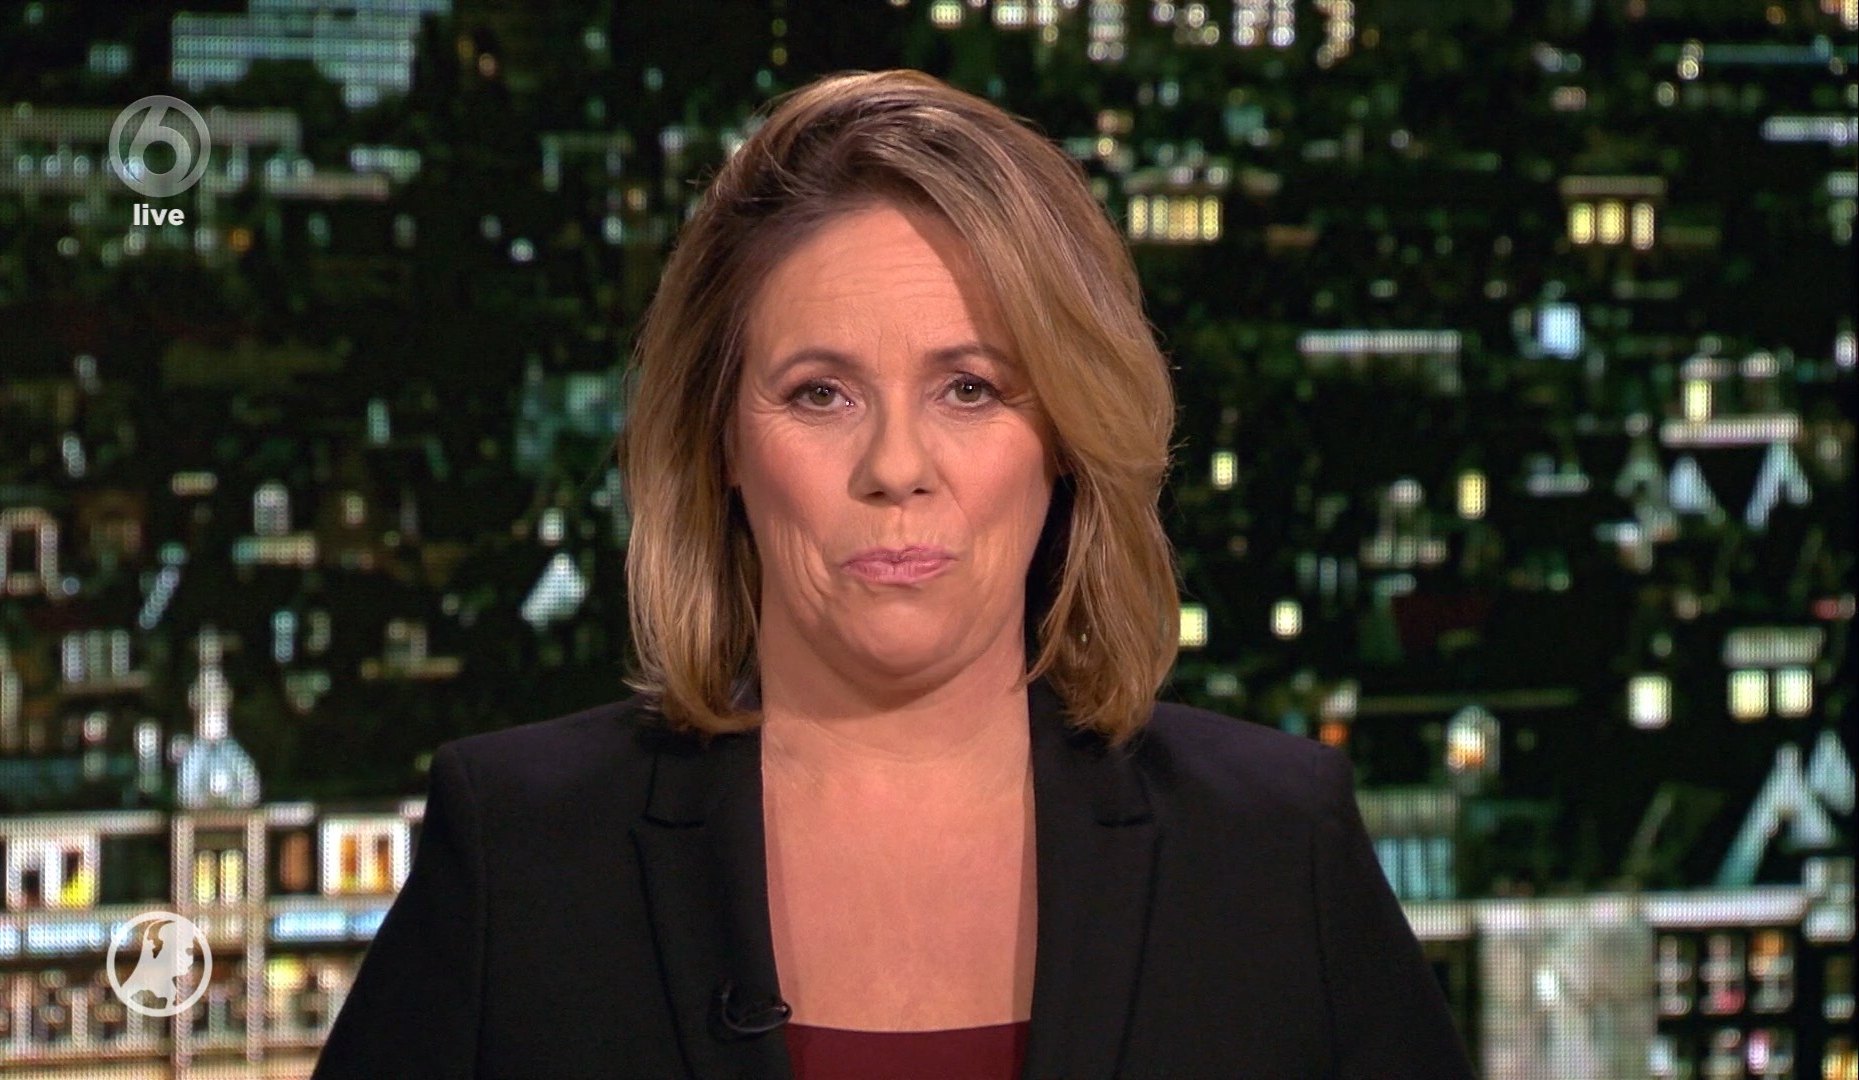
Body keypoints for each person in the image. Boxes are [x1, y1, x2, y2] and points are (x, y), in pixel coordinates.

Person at [311, 68, 1478, 1080]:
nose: (897, 467)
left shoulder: (1274, 850)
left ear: (1065, 437)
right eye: (821, 393)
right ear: (721, 443)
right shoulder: (521, 854)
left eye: (969, 388)